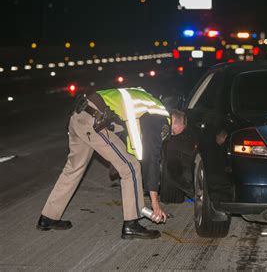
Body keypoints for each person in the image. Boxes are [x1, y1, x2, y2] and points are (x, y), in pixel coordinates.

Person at [37, 87, 186, 239]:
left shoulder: (147, 103)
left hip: (79, 115)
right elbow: (152, 156)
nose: (169, 135)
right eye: (173, 132)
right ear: (173, 119)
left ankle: (49, 217)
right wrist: (155, 203)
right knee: (131, 167)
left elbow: (123, 132)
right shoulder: (160, 117)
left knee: (73, 169)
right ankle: (131, 224)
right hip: (94, 121)